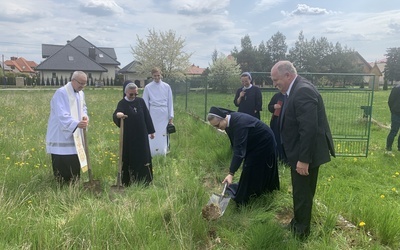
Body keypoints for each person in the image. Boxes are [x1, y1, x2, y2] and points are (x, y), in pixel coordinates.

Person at [270, 61, 335, 239]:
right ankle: (297, 223)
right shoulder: (294, 89)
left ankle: (301, 233)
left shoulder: (302, 91)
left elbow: (309, 129)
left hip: (306, 155)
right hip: (299, 153)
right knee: (300, 192)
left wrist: (303, 159)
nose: (275, 84)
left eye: (276, 80)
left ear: (287, 75)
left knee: (303, 194)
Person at [207, 106, 280, 206]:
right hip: (254, 143)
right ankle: (255, 191)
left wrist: (231, 173)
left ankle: (247, 198)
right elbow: (236, 144)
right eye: (214, 126)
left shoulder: (239, 124)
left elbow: (239, 151)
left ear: (223, 118)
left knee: (251, 168)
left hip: (265, 142)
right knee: (249, 168)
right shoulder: (228, 123)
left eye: (217, 125)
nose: (217, 128)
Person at [46, 71, 89, 184]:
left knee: (74, 160)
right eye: (81, 83)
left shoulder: (81, 93)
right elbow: (62, 114)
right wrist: (76, 124)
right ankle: (62, 184)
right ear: (73, 80)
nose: (82, 86)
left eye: (85, 84)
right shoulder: (61, 93)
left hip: (76, 132)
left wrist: (85, 118)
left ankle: (74, 183)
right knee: (63, 162)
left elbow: (83, 108)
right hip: (61, 134)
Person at [113, 83, 155, 186]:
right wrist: (118, 115)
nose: (134, 96)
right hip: (129, 137)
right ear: (126, 93)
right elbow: (116, 114)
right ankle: (129, 181)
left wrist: (151, 131)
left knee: (143, 157)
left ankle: (145, 180)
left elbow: (146, 116)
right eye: (131, 94)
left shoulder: (140, 101)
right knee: (130, 158)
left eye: (136, 94)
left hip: (141, 135)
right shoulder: (122, 103)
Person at [142, 67, 174, 156]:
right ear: (152, 76)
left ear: (161, 75)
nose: (156, 77)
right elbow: (145, 102)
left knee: (163, 133)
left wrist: (171, 116)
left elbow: (170, 102)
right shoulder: (148, 87)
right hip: (153, 113)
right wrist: (146, 116)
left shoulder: (166, 86)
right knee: (152, 131)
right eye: (155, 76)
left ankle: (163, 151)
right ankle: (152, 152)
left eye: (158, 75)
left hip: (164, 113)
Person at [268, 91, 287, 163]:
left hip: (287, 122)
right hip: (276, 121)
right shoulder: (277, 96)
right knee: (277, 138)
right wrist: (274, 106)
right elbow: (269, 107)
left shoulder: (291, 95)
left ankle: (286, 159)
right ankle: (278, 157)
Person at [385, 84, 400, 155]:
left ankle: (399, 147)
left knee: (393, 131)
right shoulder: (396, 88)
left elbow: (390, 101)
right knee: (394, 131)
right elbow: (390, 101)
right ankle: (388, 148)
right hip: (396, 113)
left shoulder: (396, 88)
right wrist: (393, 110)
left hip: (395, 112)